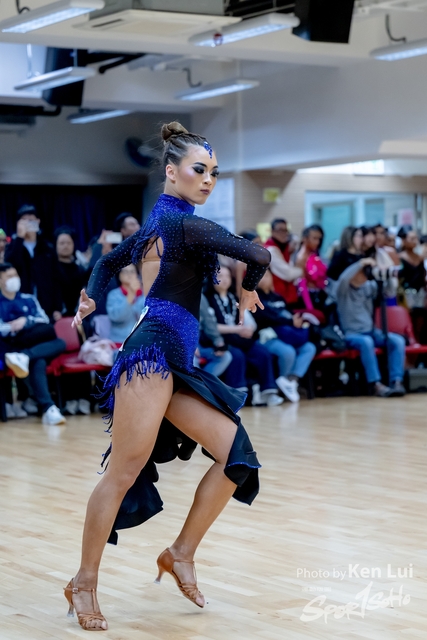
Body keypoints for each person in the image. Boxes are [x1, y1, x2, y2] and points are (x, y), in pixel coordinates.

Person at [66, 121, 271, 631]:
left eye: (215, 173)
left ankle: (180, 553)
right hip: (151, 358)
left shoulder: (163, 222)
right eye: (200, 170)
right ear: (172, 171)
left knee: (236, 456)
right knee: (123, 472)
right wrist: (250, 286)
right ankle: (83, 582)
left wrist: (91, 296)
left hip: (175, 364)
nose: (209, 180)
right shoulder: (179, 223)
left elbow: (107, 261)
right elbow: (258, 253)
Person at [206, 265, 283, 406]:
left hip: (239, 339)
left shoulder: (234, 297)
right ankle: (236, 396)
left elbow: (249, 322)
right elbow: (210, 327)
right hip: (221, 340)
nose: (224, 279)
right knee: (237, 355)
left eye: (227, 276)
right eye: (220, 276)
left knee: (262, 352)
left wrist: (249, 329)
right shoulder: (207, 299)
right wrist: (236, 329)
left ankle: (268, 392)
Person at [0, 263, 66, 423]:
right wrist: (13, 326)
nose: (14, 279)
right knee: (41, 356)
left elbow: (43, 320)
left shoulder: (28, 299)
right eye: (9, 276)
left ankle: (24, 356)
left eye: (15, 275)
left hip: (33, 341)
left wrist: (26, 321)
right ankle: (49, 408)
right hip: (12, 343)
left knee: (59, 343)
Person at [336, 257, 406, 397]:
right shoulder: (343, 290)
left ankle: (396, 381)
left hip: (372, 332)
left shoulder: (368, 287)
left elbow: (390, 292)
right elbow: (343, 278)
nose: (365, 274)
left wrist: (387, 275)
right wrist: (360, 264)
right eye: (362, 271)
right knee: (367, 343)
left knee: (398, 341)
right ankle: (376, 384)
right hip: (352, 334)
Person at [255, 269, 316, 403]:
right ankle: (282, 386)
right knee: (288, 351)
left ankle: (290, 381)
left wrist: (296, 320)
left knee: (309, 348)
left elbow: (289, 314)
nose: (264, 279)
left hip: (287, 335)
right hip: (267, 336)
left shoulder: (278, 297)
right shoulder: (255, 298)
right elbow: (265, 317)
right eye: (260, 276)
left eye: (266, 276)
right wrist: (289, 321)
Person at [5, 204, 62, 320]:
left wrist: (57, 307)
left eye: (31, 220)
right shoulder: (13, 247)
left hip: (47, 305)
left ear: (38, 221)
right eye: (23, 221)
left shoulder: (47, 248)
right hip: (20, 304)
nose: (27, 224)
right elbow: (10, 268)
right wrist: (19, 239)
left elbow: (56, 278)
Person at [397, 225, 427, 343]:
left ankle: (419, 344)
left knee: (420, 320)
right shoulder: (399, 258)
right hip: (405, 294)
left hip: (419, 293)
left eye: (416, 238)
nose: (415, 241)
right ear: (404, 240)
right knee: (407, 320)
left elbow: (423, 276)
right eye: (411, 238)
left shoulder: (420, 258)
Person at [264, 218, 302, 306]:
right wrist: (301, 270)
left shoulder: (283, 248)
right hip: (280, 297)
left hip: (287, 295)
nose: (284, 234)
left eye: (285, 230)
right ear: (272, 232)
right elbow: (288, 274)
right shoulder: (271, 250)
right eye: (280, 230)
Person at [106, 264, 146, 343]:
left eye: (132, 271)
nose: (129, 274)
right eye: (125, 272)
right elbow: (117, 317)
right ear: (119, 275)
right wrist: (131, 294)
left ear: (137, 275)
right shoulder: (113, 295)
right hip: (119, 341)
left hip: (140, 340)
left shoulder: (143, 295)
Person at [196, 293, 232, 378]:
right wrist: (188, 344)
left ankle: (204, 382)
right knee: (190, 360)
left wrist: (218, 341)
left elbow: (208, 321)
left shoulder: (200, 295)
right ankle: (195, 384)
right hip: (181, 343)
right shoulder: (174, 293)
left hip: (199, 343)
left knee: (225, 357)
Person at [55, 227, 88, 319]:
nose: (66, 246)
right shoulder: (51, 269)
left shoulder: (80, 268)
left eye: (69, 243)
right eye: (62, 243)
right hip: (58, 316)